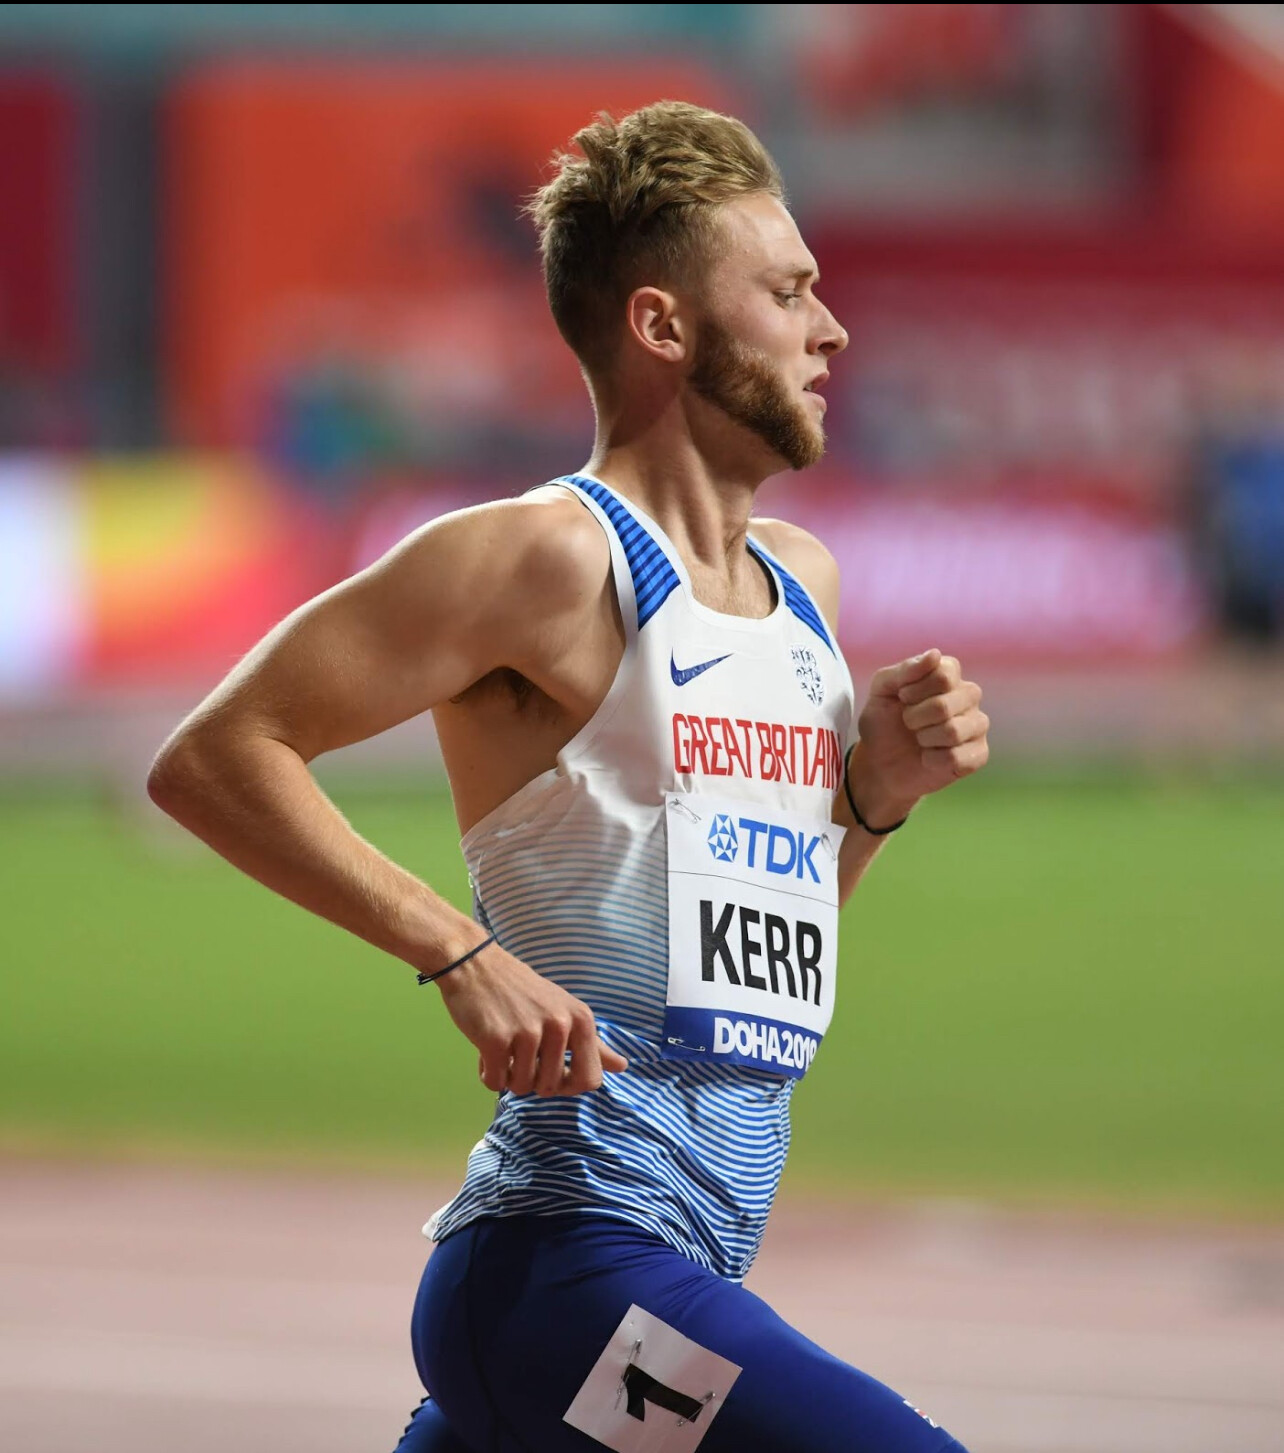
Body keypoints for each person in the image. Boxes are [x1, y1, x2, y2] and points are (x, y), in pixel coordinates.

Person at [148, 102, 989, 1453]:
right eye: (786, 294)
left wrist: (872, 798)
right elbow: (213, 755)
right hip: (568, 1273)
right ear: (662, 325)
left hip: (672, 1266)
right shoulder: (543, 559)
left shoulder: (804, 590)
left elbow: (753, 949)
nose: (831, 331)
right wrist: (456, 950)